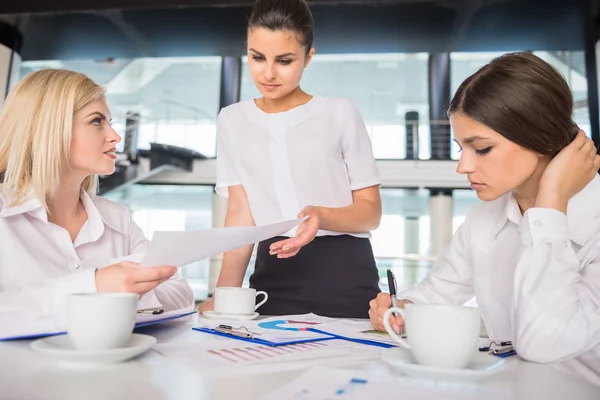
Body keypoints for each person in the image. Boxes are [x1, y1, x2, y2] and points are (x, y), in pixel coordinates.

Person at [368, 52, 600, 377]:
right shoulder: (483, 219)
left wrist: (551, 200)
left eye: (483, 148)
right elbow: (437, 293)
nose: (463, 166)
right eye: (461, 148)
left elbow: (546, 342)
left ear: (541, 137)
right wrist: (404, 310)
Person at [199, 0, 382, 318]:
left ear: (308, 57)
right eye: (257, 57)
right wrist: (224, 295)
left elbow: (371, 213)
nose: (268, 73)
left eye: (284, 61)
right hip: (272, 276)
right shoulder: (232, 120)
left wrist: (320, 217)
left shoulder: (339, 112)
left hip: (345, 275)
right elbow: (241, 214)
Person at [0, 69, 194, 337]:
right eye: (96, 122)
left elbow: (180, 293)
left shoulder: (117, 217)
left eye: (110, 122)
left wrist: (124, 288)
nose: (115, 136)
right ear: (49, 128)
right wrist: (95, 286)